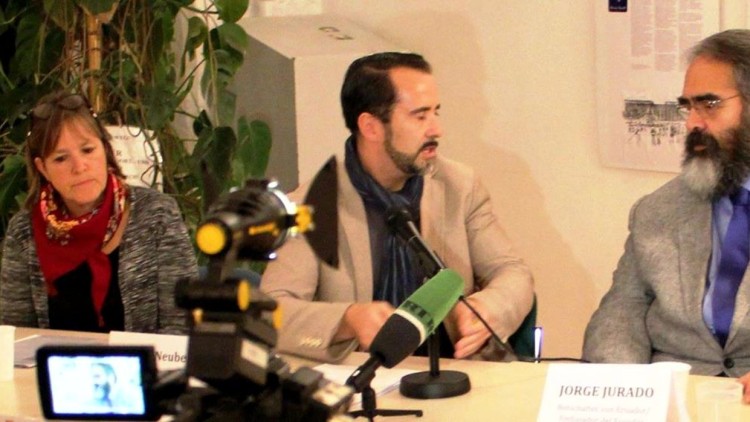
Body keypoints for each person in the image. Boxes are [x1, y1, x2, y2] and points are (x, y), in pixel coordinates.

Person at [260, 52, 534, 363]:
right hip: (363, 378)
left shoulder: (459, 186)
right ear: (371, 127)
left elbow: (512, 272)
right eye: (420, 116)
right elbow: (272, 311)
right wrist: (347, 319)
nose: (436, 130)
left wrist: (488, 307)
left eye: (436, 112)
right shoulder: (312, 205)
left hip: (457, 373)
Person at [582, 29, 750, 403]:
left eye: (709, 104)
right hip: (671, 399)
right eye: (687, 107)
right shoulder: (657, 210)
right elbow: (622, 310)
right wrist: (623, 391)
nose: (692, 123)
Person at [0, 91, 197, 334]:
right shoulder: (24, 231)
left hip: (144, 359)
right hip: (54, 360)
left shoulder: (158, 215)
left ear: (105, 149)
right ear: (43, 168)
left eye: (87, 150)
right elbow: (14, 336)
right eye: (61, 158)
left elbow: (182, 326)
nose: (79, 167)